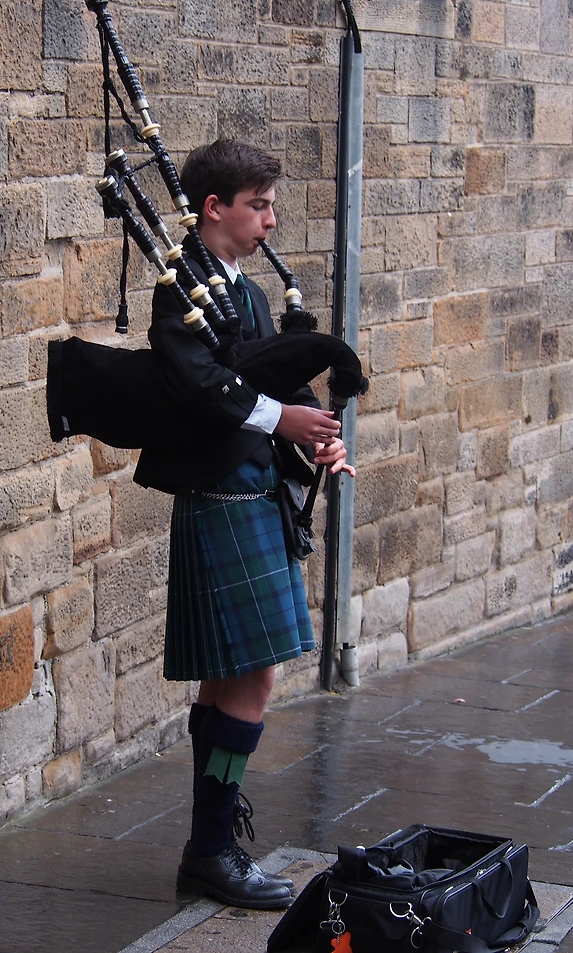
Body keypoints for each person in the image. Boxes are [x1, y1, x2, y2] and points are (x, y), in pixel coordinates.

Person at [132, 139, 354, 909]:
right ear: (214, 208)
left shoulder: (250, 298)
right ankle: (212, 848)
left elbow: (278, 384)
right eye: (258, 206)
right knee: (253, 679)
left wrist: (318, 440)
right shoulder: (177, 291)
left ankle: (210, 847)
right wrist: (281, 418)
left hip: (256, 498)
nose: (270, 220)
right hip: (221, 500)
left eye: (271, 205)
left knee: (230, 680)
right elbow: (198, 386)